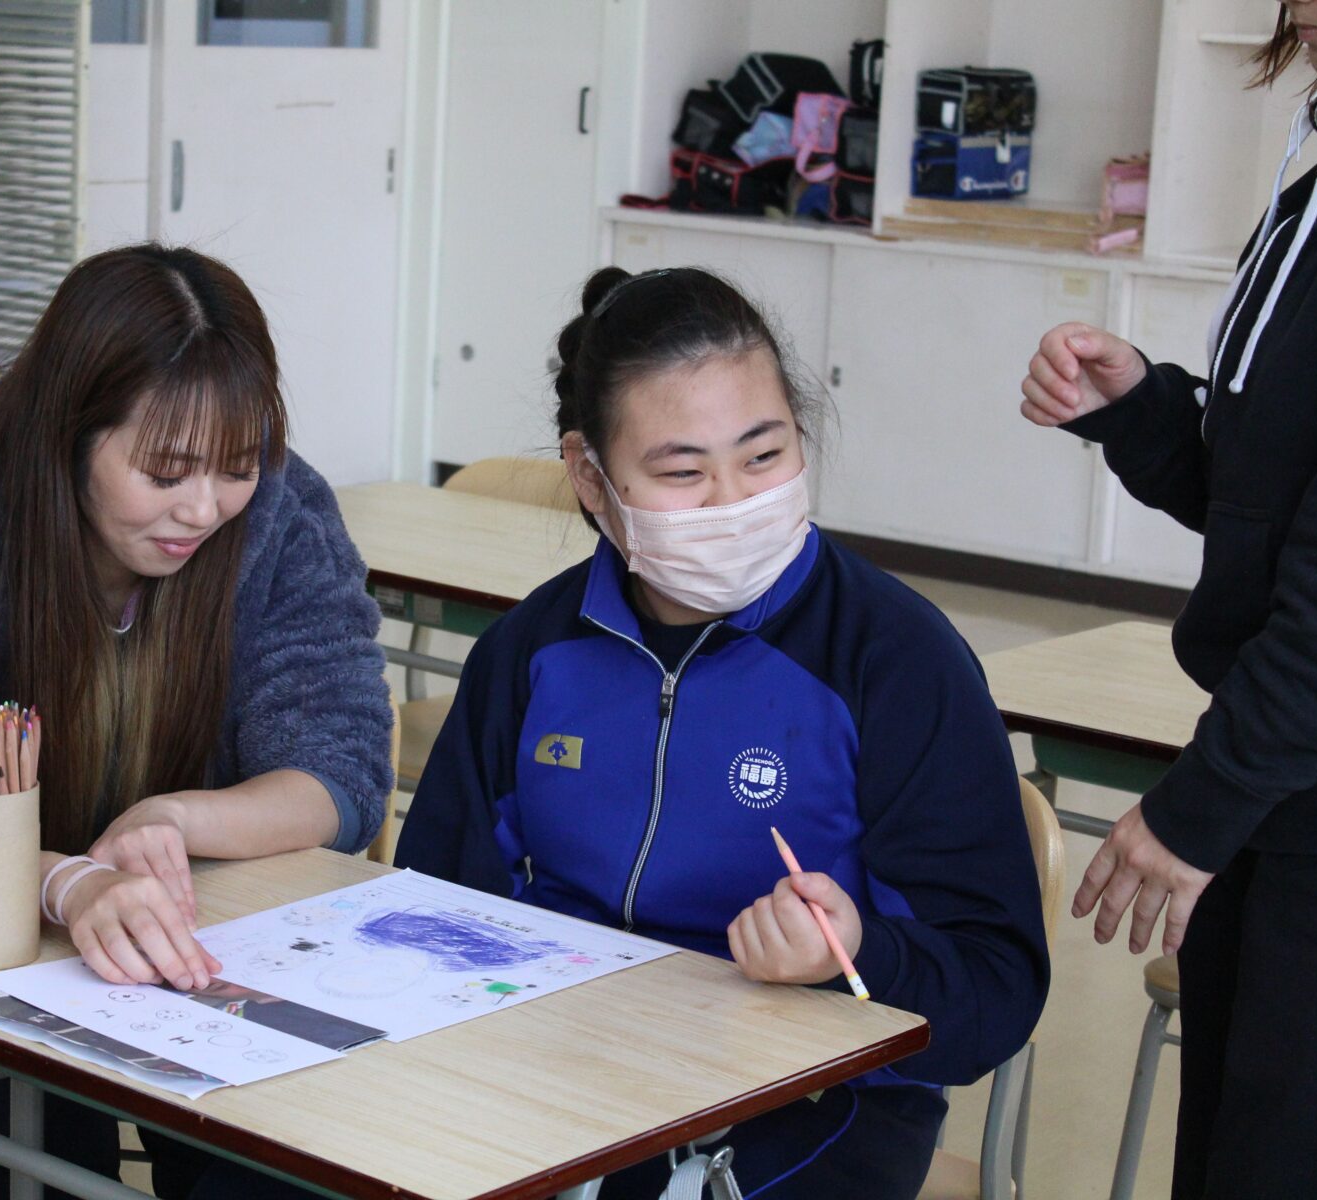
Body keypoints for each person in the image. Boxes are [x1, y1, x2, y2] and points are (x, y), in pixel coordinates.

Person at [396, 265, 1048, 1198]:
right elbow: (434, 913)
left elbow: (994, 992)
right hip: (556, 1068)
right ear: (589, 475)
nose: (733, 502)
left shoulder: (895, 660)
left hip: (817, 1103)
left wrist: (855, 954)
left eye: (763, 456)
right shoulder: (529, 654)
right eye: (682, 472)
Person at [0, 243, 393, 1199]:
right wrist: (71, 884)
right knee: (39, 1154)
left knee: (266, 1162)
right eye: (164, 471)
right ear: (70, 432)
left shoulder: (282, 513)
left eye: (237, 465)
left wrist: (178, 820)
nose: (203, 508)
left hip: (206, 942)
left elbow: (341, 777)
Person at [1018, 5, 1317, 1194]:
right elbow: (1266, 501)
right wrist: (1141, 402)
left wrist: (1205, 804)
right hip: (1278, 776)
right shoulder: (1304, 189)